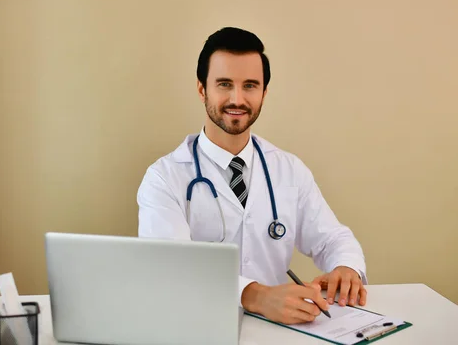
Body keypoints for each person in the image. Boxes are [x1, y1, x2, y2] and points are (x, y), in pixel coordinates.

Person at [137, 27, 367, 325]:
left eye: (249, 85)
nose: (237, 99)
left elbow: (333, 238)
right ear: (201, 89)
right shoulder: (164, 177)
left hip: (279, 331)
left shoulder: (289, 169)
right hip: (196, 327)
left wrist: (346, 268)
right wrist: (254, 295)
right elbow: (171, 267)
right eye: (224, 84)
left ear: (264, 92)